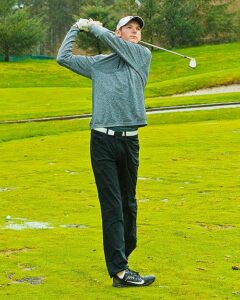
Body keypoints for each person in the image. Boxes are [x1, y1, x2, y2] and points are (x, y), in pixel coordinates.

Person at [57, 15, 155, 288]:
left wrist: (95, 28)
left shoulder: (141, 56)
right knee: (112, 205)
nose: (135, 32)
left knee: (128, 205)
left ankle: (123, 256)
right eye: (129, 28)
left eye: (137, 29)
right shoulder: (99, 64)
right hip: (101, 140)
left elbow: (107, 39)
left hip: (130, 141)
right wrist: (75, 27)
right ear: (118, 32)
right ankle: (120, 271)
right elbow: (63, 58)